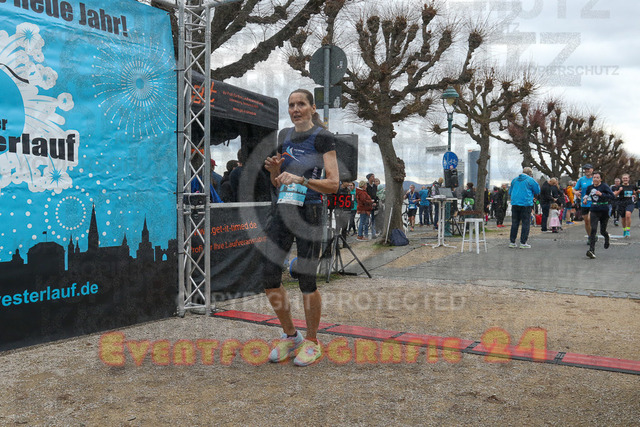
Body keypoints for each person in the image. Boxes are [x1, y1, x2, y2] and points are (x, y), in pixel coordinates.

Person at [262, 88, 339, 367]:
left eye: (301, 104)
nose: (296, 109)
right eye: (292, 105)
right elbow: (277, 182)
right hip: (284, 208)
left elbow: (333, 184)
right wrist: (274, 170)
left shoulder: (323, 137)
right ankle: (291, 335)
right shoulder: (284, 135)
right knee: (269, 277)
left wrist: (302, 180)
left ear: (312, 108)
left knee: (307, 280)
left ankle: (312, 341)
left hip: (310, 211)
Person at [583, 172, 614, 259]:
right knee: (593, 229)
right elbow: (587, 194)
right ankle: (591, 250)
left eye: (597, 177)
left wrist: (601, 194)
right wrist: (585, 199)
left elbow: (612, 196)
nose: (595, 179)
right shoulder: (590, 187)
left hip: (604, 210)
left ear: (601, 179)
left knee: (602, 231)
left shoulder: (604, 186)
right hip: (594, 209)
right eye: (594, 177)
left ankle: (606, 238)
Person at [509, 167, 540, 248]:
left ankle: (512, 242)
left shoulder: (514, 180)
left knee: (515, 223)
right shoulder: (530, 180)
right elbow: (537, 190)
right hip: (526, 203)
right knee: (525, 223)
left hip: (515, 203)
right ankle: (523, 242)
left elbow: (510, 192)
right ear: (530, 173)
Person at [573, 164, 594, 243]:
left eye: (588, 169)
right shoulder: (581, 179)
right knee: (586, 221)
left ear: (592, 169)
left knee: (590, 219)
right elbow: (574, 189)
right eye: (585, 169)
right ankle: (590, 236)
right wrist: (576, 192)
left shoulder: (595, 178)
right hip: (584, 203)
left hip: (593, 203)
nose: (586, 171)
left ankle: (593, 235)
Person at [613, 173, 638, 238]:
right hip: (621, 203)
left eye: (626, 178)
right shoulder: (619, 186)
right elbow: (615, 195)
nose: (625, 179)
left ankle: (628, 230)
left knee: (628, 215)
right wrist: (619, 190)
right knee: (623, 218)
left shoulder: (632, 186)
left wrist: (634, 194)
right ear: (622, 179)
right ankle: (624, 230)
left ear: (629, 179)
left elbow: (635, 191)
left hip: (630, 203)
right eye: (624, 178)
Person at [366, 173, 379, 237]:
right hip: (367, 205)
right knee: (366, 220)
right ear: (369, 178)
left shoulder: (375, 186)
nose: (373, 178)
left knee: (373, 219)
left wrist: (376, 202)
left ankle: (373, 233)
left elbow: (377, 195)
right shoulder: (366, 186)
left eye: (374, 176)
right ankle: (365, 234)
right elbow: (365, 196)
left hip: (374, 205)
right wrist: (370, 202)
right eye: (372, 177)